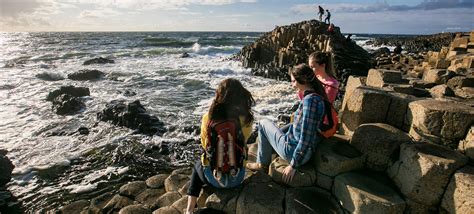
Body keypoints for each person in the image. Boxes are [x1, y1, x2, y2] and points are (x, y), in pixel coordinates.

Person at [247, 64, 327, 184]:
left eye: (294, 81)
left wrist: (293, 165)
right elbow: (303, 127)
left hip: (291, 152)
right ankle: (269, 150)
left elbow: (306, 137)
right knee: (284, 127)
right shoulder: (317, 96)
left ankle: (262, 165)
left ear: (303, 80)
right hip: (297, 147)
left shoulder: (310, 101)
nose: (292, 84)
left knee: (263, 123)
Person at [186, 78, 255, 214]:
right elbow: (245, 140)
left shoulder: (209, 117)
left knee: (198, 165)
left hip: (213, 178)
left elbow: (205, 144)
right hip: (237, 177)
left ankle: (189, 209)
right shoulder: (246, 118)